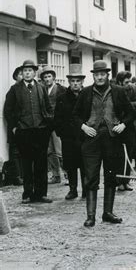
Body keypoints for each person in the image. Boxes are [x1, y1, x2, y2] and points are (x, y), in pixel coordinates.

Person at [73, 60, 136, 227]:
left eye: (102, 74)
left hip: (111, 139)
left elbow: (131, 113)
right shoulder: (85, 93)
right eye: (96, 74)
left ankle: (107, 213)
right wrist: (84, 127)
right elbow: (75, 116)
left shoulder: (118, 91)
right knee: (91, 177)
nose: (99, 77)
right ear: (93, 76)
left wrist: (123, 124)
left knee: (110, 176)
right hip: (91, 140)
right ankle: (91, 216)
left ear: (108, 75)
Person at [4, 59, 54, 204]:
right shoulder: (15, 89)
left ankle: (41, 194)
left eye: (30, 71)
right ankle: (27, 194)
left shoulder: (41, 88)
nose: (27, 73)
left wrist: (48, 126)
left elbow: (48, 108)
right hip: (24, 132)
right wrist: (14, 128)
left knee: (41, 164)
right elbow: (8, 110)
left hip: (40, 131)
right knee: (26, 164)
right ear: (22, 73)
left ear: (34, 72)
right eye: (25, 71)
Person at [54, 65, 86, 200]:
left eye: (78, 81)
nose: (75, 84)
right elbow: (57, 118)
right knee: (71, 165)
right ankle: (73, 189)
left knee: (85, 164)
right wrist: (62, 134)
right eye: (73, 81)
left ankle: (86, 189)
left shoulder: (87, 96)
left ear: (82, 82)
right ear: (69, 82)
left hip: (84, 137)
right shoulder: (62, 98)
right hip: (69, 138)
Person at [116, 71, 136, 191]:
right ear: (119, 82)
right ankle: (119, 182)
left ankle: (126, 181)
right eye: (126, 82)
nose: (129, 84)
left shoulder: (132, 88)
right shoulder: (114, 89)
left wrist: (127, 105)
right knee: (118, 155)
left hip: (131, 125)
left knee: (129, 153)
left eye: (129, 81)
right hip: (117, 126)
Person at [41, 66, 66, 184]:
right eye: (45, 77)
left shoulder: (61, 90)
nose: (47, 79)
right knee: (49, 151)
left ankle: (67, 174)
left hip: (58, 125)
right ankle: (56, 175)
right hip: (46, 125)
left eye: (49, 76)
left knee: (60, 151)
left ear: (54, 77)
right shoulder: (41, 90)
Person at [2, 66, 24, 186]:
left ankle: (24, 175)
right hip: (16, 128)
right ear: (16, 76)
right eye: (20, 74)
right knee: (15, 151)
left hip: (25, 127)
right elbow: (8, 111)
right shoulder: (12, 91)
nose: (22, 76)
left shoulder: (25, 89)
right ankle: (16, 176)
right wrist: (14, 126)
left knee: (24, 151)